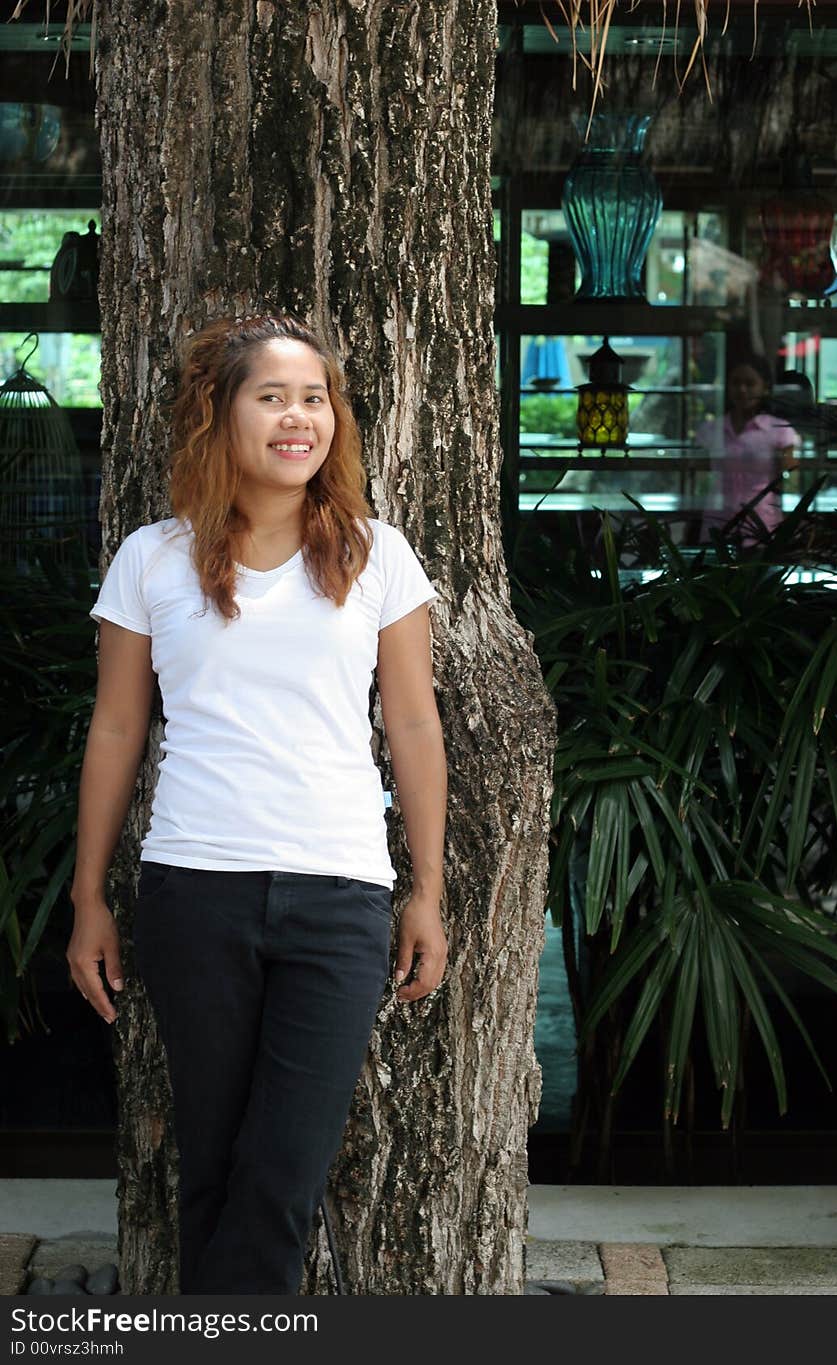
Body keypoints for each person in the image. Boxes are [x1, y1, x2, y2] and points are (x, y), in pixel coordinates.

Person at [66, 313, 448, 1295]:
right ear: (219, 414)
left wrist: (427, 892)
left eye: (314, 397)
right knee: (212, 1169)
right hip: (195, 890)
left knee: (279, 1178)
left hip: (338, 898)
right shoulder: (152, 558)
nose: (298, 417)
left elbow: (412, 728)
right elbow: (115, 731)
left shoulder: (375, 555)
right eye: (271, 395)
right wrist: (89, 900)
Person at [696, 354, 800, 539]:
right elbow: (700, 481)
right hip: (718, 523)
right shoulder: (710, 430)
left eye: (750, 384)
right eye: (736, 383)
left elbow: (791, 482)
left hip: (761, 524)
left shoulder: (780, 430)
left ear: (765, 387)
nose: (742, 390)